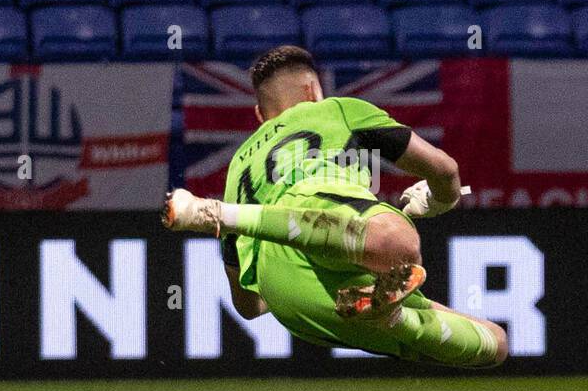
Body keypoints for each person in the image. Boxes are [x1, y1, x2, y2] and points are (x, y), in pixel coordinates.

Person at [162, 45, 508, 368]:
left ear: (259, 114)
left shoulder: (238, 164)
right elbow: (445, 169)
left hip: (295, 300)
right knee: (401, 246)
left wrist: (285, 285)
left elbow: (248, 307)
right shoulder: (338, 109)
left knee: (494, 342)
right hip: (316, 211)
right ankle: (217, 212)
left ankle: (391, 315)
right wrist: (438, 200)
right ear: (313, 91)